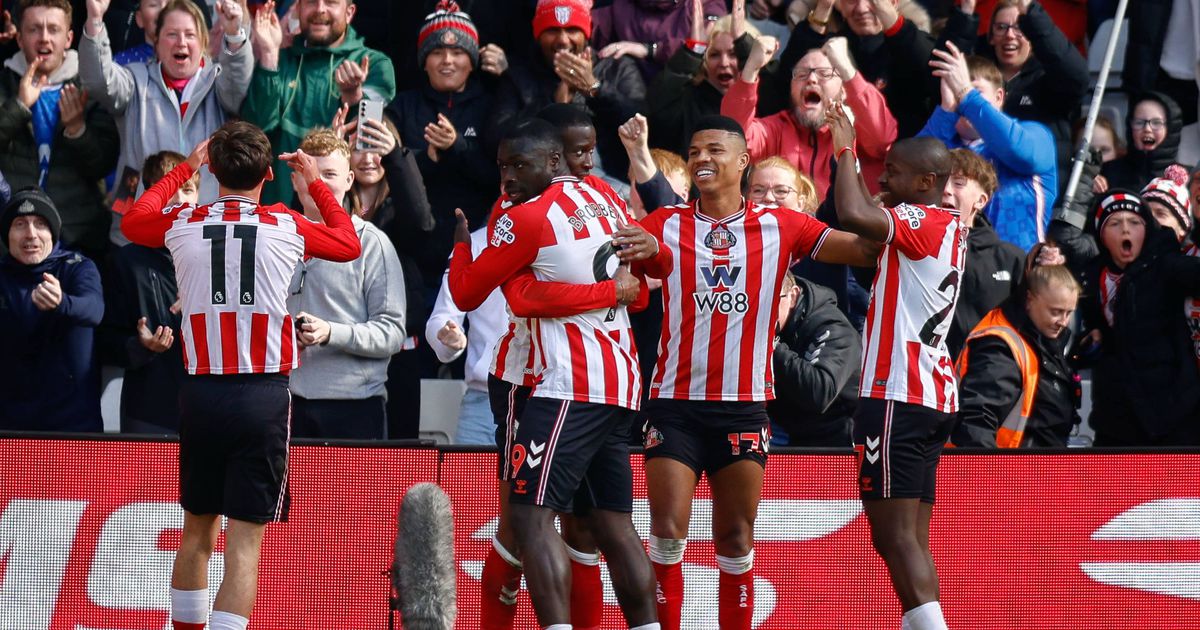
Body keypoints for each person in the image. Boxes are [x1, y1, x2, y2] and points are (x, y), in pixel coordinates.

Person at [633, 115, 881, 630]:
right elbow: (630, 285)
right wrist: (624, 261)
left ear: (743, 161)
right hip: (674, 407)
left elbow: (865, 248)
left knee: (736, 538)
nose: (702, 158)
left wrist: (846, 157)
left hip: (744, 407)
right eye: (695, 150)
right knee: (666, 533)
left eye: (715, 150)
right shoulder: (665, 225)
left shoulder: (781, 226)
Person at [121, 121, 361, 630]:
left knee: (196, 532)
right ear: (268, 174)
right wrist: (315, 182)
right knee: (244, 541)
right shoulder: (287, 224)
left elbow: (133, 221)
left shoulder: (184, 220)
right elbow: (347, 243)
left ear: (212, 171)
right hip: (262, 393)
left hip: (200, 391)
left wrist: (184, 167)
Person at [448, 118, 666, 630]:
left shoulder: (524, 215)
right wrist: (616, 289)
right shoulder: (610, 201)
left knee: (526, 516)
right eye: (501, 166)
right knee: (611, 523)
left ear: (552, 161)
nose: (507, 178)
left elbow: (471, 294)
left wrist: (462, 244)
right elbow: (647, 288)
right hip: (621, 380)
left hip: (561, 383)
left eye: (518, 165)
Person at [827, 102, 964, 630]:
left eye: (895, 173)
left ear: (927, 181)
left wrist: (846, 151)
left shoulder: (917, 218)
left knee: (893, 536)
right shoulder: (945, 227)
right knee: (910, 536)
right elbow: (861, 240)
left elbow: (854, 216)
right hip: (931, 395)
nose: (885, 178)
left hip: (897, 394)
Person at [80, 0, 252, 242]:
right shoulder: (135, 80)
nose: (181, 42)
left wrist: (234, 35)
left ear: (202, 42)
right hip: (142, 233)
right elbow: (98, 81)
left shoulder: (218, 83)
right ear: (157, 43)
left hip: (205, 233)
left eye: (190, 34)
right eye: (171, 34)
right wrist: (95, 19)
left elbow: (238, 84)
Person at [285, 128, 405, 439]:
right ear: (294, 179)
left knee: (354, 492)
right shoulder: (276, 239)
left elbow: (392, 332)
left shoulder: (373, 243)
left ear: (350, 180)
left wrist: (330, 332)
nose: (318, 183)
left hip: (355, 405)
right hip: (285, 401)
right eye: (310, 173)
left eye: (329, 174)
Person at [337, 107, 434, 440]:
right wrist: (328, 167)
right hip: (340, 347)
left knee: (400, 456)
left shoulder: (402, 203)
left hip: (398, 350)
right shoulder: (331, 205)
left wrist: (396, 156)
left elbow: (422, 225)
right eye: (357, 147)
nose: (367, 158)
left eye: (377, 146)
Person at [387, 0, 496, 295]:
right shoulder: (403, 107)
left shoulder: (491, 106)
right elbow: (383, 175)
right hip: (416, 250)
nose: (447, 60)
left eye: (458, 52)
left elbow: (497, 177)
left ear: (472, 61)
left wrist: (458, 146)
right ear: (424, 61)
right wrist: (426, 158)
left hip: (478, 247)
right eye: (437, 52)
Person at [1077, 189, 1200, 446]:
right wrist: (1089, 342)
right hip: (1116, 415)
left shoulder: (1164, 265)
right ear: (1101, 234)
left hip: (1171, 412)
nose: (1125, 231)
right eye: (1114, 223)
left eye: (1134, 222)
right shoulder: (1090, 277)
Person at [242, 0, 395, 205]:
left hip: (341, 216)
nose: (320, 9)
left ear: (349, 13)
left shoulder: (374, 64)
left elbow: (370, 146)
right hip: (277, 214)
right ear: (298, 9)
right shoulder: (282, 60)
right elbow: (255, 130)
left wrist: (354, 98)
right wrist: (269, 54)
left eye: (331, 2)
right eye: (311, 2)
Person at [0, 0, 119, 263]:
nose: (44, 38)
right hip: (12, 239)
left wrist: (78, 129)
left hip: (79, 238)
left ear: (68, 38)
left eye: (53, 29)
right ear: (19, 38)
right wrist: (18, 106)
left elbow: (102, 164)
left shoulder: (89, 86)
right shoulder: (4, 82)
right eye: (34, 29)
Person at [489, 0, 646, 184]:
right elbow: (495, 139)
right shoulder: (518, 76)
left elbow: (642, 123)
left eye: (572, 30)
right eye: (553, 30)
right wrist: (551, 108)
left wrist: (595, 89)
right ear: (538, 35)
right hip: (541, 188)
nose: (563, 40)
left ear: (587, 33)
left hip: (612, 185)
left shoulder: (617, 68)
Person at [97, 150, 198, 434]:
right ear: (150, 199)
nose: (180, 199)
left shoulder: (221, 258)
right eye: (169, 190)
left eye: (188, 189)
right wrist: (141, 346)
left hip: (210, 409)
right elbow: (104, 341)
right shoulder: (125, 262)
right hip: (148, 410)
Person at [724, 35, 897, 198]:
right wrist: (751, 69)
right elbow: (733, 140)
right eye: (801, 74)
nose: (811, 79)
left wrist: (846, 68)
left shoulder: (856, 127)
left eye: (824, 73)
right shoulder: (777, 129)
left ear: (844, 90)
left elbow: (881, 138)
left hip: (849, 228)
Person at [920, 44, 1056, 251]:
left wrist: (966, 94)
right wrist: (947, 110)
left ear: (999, 97)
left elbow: (1021, 154)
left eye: (977, 91)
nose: (963, 100)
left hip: (1018, 272)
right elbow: (911, 174)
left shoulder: (1035, 134)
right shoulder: (939, 143)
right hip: (949, 272)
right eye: (957, 93)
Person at [940, 0, 1088, 182]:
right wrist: (966, 13)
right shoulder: (973, 75)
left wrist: (1032, 12)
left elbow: (1077, 78)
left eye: (1019, 28)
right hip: (973, 185)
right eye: (1001, 27)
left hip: (1037, 190)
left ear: (1032, 37)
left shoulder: (1051, 78)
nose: (1009, 35)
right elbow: (942, 67)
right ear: (991, 36)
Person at [0, 186, 104, 432]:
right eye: (20, 224)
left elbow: (94, 310)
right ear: (7, 234)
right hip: (9, 425)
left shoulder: (78, 267)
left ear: (54, 232)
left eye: (40, 224)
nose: (31, 234)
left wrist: (62, 302)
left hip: (73, 426)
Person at [953, 263, 1081, 447]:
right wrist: (984, 473)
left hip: (1035, 465)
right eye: (1056, 312)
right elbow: (977, 422)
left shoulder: (1044, 339)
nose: (1063, 322)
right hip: (1011, 469)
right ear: (1029, 300)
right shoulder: (1000, 347)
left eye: (1069, 313)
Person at [782, 0, 938, 137]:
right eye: (852, 1)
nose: (862, 8)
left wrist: (894, 23)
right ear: (840, 6)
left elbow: (932, 73)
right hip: (838, 153)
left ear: (893, 3)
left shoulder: (910, 44)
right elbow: (785, 80)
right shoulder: (832, 46)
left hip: (903, 157)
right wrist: (823, 8)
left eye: (873, 0)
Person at [646, 0, 765, 158]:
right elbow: (658, 107)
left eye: (734, 53)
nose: (724, 63)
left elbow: (772, 82)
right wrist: (695, 49)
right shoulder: (688, 100)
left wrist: (745, 48)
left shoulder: (766, 98)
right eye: (714, 54)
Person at [942, 148, 1025, 358]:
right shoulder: (915, 249)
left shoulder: (1010, 259)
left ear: (981, 200)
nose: (946, 190)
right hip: (925, 378)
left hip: (987, 379)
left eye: (958, 182)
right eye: (940, 181)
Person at [767, 270, 860, 447]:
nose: (762, 313)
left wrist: (771, 347)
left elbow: (819, 393)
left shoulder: (833, 327)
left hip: (839, 445)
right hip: (792, 434)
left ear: (793, 295)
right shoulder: (780, 327)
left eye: (770, 303)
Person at [591, 0, 727, 80]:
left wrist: (650, 50)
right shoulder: (618, 5)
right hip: (632, 99)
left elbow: (712, 43)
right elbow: (588, 31)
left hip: (688, 94)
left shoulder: (705, 3)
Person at [1098, 92, 1184, 193]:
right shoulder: (1106, 173)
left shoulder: (1187, 178)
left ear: (1170, 129)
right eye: (1139, 122)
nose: (1147, 129)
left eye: (1156, 123)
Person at [748, 155, 818, 213]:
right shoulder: (738, 228)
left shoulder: (815, 229)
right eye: (758, 190)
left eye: (781, 191)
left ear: (800, 203)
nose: (768, 198)